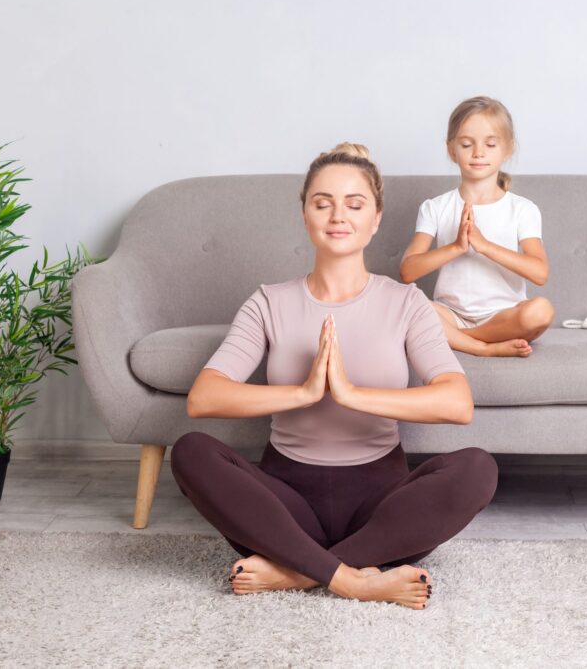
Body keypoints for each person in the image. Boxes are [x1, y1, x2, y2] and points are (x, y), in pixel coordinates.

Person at [171, 142, 499, 611]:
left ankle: (298, 572)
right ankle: (356, 580)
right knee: (190, 452)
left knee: (478, 469)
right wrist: (304, 392)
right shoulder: (269, 301)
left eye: (354, 204)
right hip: (285, 507)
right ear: (305, 214)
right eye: (322, 203)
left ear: (376, 218)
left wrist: (350, 394)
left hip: (379, 510)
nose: (337, 216)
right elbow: (204, 398)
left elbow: (456, 403)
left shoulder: (406, 304)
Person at [400, 96, 554, 358]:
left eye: (490, 144)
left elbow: (539, 272)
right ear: (452, 150)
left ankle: (457, 340)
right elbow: (408, 271)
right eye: (467, 144)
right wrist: (457, 247)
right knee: (403, 302)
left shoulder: (522, 209)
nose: (478, 153)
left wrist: (484, 246)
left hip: (503, 318)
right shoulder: (435, 207)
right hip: (450, 315)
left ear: (507, 150)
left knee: (540, 311)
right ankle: (482, 347)